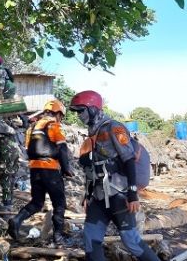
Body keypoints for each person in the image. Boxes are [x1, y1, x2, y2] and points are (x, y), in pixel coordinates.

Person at [69, 90, 159, 261]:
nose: (79, 115)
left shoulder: (114, 127)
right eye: (77, 112)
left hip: (119, 195)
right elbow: (92, 171)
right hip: (98, 198)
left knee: (131, 241)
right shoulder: (92, 135)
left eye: (81, 111)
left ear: (93, 109)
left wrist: (132, 194)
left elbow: (129, 160)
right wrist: (87, 196)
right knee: (90, 239)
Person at [7, 99, 73, 245]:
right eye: (60, 116)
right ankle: (58, 237)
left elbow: (27, 149)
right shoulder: (54, 125)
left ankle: (17, 220)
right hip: (50, 170)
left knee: (37, 202)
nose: (60, 119)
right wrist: (66, 169)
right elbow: (62, 149)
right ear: (57, 113)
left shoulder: (31, 128)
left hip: (34, 170)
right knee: (59, 204)